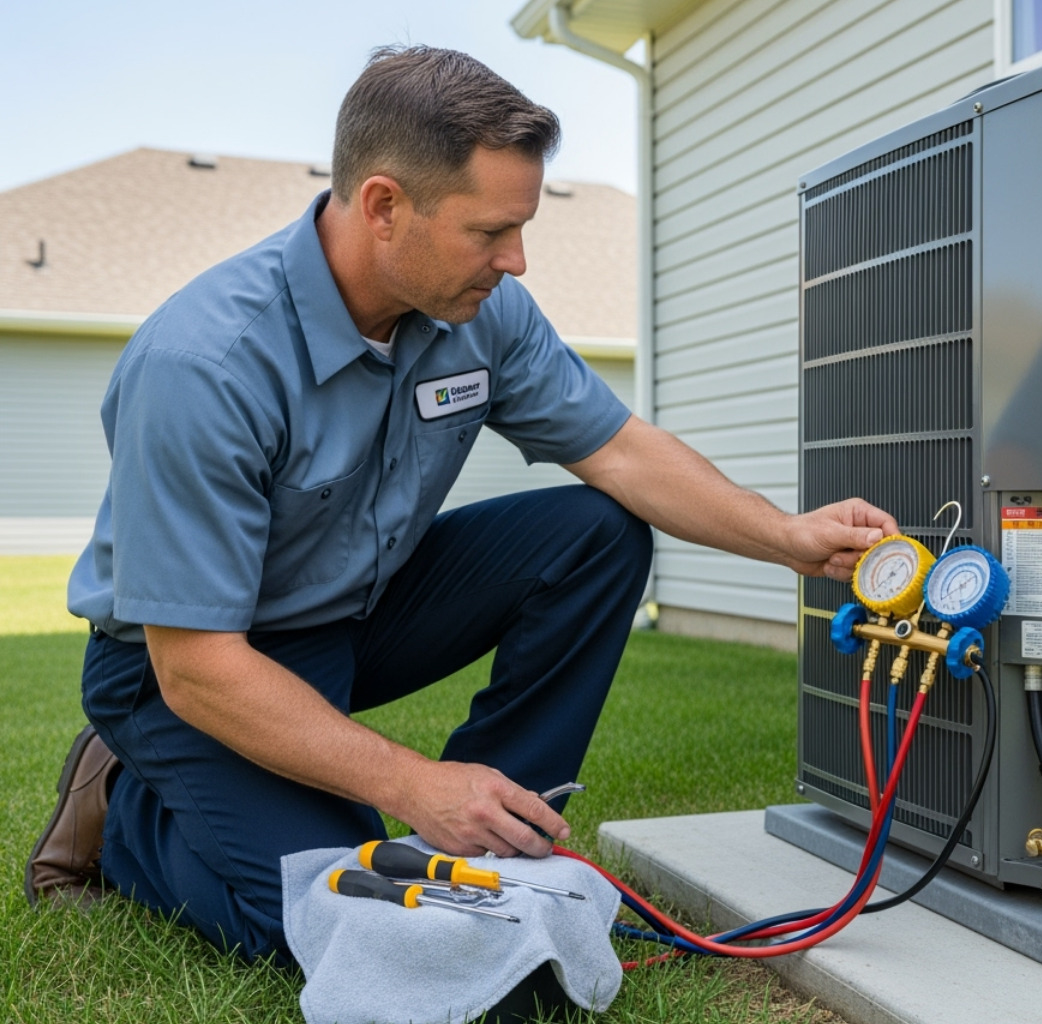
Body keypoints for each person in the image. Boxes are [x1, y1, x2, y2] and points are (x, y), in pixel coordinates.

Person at [25, 45, 896, 967]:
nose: (515, 261)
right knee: (337, 922)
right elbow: (197, 666)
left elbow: (623, 453)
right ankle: (125, 818)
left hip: (354, 614)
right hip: (190, 668)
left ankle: (495, 837)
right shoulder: (204, 366)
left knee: (595, 533)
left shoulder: (479, 314)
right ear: (385, 206)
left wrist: (787, 538)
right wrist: (414, 782)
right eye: (490, 231)